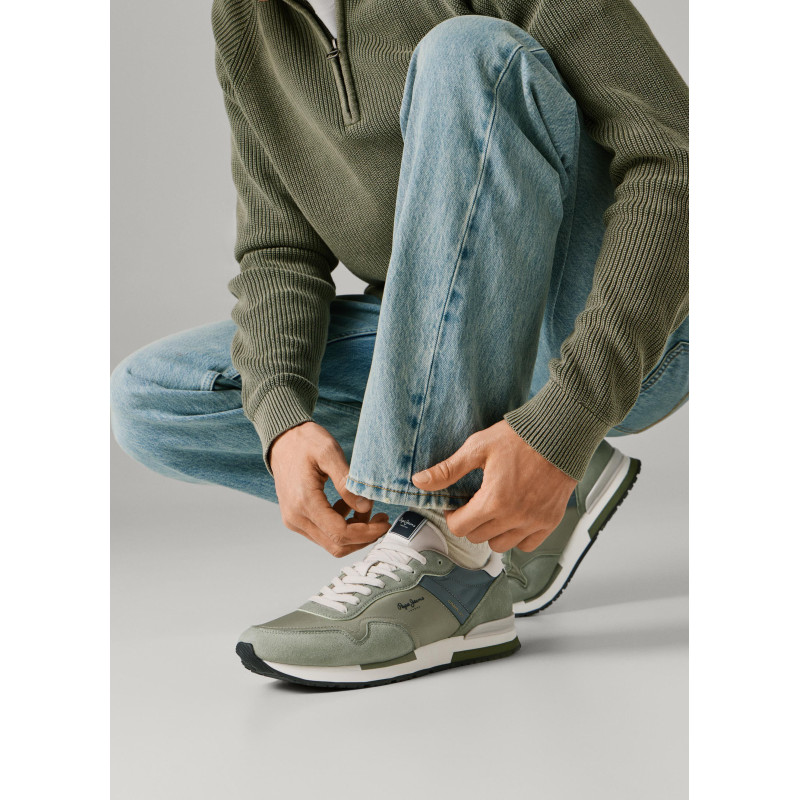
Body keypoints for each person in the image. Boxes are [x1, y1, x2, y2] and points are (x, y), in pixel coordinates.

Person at [111, 0, 688, 689]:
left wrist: (571, 414)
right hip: (451, 330)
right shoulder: (246, 16)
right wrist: (281, 418)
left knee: (467, 53)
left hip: (631, 324)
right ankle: (501, 500)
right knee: (153, 399)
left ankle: (450, 560)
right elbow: (279, 249)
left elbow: (681, 163)